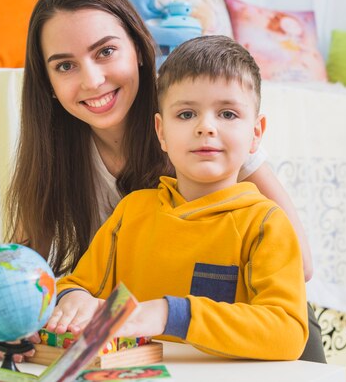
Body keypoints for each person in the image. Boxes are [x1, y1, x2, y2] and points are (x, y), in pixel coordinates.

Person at [0, 0, 324, 363]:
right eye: (65, 65)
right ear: (49, 83)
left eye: (105, 52)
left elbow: (299, 268)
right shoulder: (68, 165)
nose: (92, 79)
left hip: (255, 340)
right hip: (151, 350)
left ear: (139, 49)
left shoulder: (203, 127)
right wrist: (8, 327)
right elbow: (25, 278)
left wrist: (165, 312)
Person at [46, 35, 308, 360]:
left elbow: (288, 334)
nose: (206, 127)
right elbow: (78, 284)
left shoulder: (266, 223)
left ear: (256, 133)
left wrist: (172, 314)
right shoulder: (132, 212)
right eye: (186, 114)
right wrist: (72, 298)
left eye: (227, 114)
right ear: (161, 132)